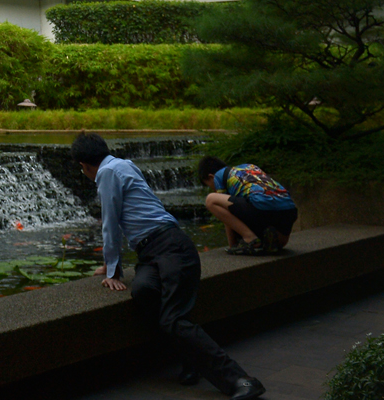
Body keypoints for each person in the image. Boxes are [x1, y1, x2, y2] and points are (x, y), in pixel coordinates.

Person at [72, 132, 265, 400]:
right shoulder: (124, 164)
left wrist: (113, 270)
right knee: (143, 291)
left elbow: (110, 222)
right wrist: (110, 265)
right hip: (151, 253)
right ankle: (191, 360)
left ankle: (241, 380)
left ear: (84, 165)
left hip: (171, 246)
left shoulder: (106, 173)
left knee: (173, 318)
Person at [198, 156, 298, 256]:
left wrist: (233, 246)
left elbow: (227, 214)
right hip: (289, 211)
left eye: (208, 185)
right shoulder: (249, 167)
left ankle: (250, 238)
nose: (212, 188)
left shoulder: (218, 177)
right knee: (280, 243)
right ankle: (268, 239)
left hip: (262, 207)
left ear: (210, 177)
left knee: (210, 200)